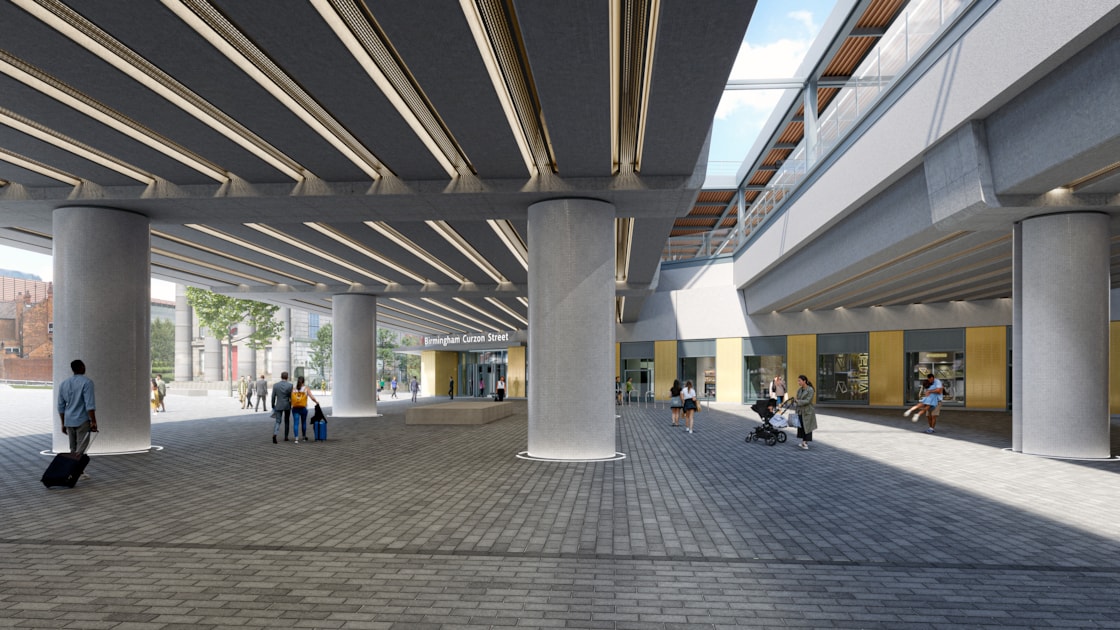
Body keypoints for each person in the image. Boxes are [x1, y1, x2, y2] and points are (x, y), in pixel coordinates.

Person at [58, 359, 98, 457]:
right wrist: (93, 421)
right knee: (81, 449)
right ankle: (78, 471)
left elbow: (60, 406)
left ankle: (72, 470)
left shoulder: (63, 384)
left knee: (73, 448)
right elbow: (89, 404)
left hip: (69, 420)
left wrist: (63, 423)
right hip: (82, 420)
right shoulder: (87, 382)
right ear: (82, 367)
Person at [793, 374, 818, 450]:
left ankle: (805, 443)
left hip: (808, 411)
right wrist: (795, 402)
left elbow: (808, 401)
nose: (798, 382)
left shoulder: (810, 390)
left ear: (805, 381)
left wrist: (798, 401)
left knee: (807, 427)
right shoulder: (799, 390)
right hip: (800, 411)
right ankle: (803, 441)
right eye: (798, 381)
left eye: (799, 381)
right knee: (801, 427)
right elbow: (797, 399)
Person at [290, 375, 317, 444]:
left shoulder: (294, 389)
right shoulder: (306, 388)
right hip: (303, 408)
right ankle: (304, 437)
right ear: (303, 381)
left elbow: (291, 399)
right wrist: (317, 402)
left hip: (295, 408)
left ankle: (296, 438)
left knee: (296, 423)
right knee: (303, 422)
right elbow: (312, 397)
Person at [270, 371, 294, 443]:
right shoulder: (290, 385)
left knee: (278, 421)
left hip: (278, 405)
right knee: (287, 421)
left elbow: (273, 396)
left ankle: (275, 433)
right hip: (287, 405)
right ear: (287, 377)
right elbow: (291, 397)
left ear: (281, 377)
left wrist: (273, 405)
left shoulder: (275, 385)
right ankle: (286, 437)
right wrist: (292, 404)